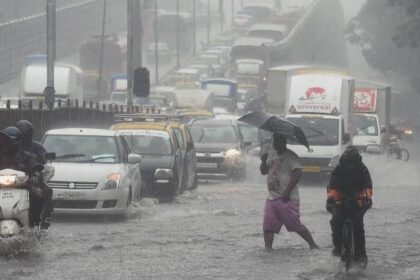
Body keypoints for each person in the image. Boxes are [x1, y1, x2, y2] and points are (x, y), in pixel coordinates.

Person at [260, 133, 318, 250]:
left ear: (284, 142)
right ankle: (268, 249)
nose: (276, 144)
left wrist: (287, 191)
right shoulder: (271, 155)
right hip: (272, 197)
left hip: (288, 197)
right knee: (268, 225)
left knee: (295, 225)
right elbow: (263, 171)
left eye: (278, 141)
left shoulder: (291, 156)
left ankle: (312, 245)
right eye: (274, 141)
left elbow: (297, 172)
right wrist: (263, 160)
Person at [327, 146, 372, 265]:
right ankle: (337, 246)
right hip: (341, 199)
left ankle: (361, 253)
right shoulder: (337, 170)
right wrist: (334, 199)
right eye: (348, 163)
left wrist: (364, 199)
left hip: (358, 200)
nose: (350, 166)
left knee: (358, 225)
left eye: (353, 163)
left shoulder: (363, 170)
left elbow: (368, 187)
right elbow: (331, 188)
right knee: (336, 221)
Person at [1, 126, 46, 227]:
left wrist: (35, 174)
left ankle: (33, 222)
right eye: (7, 141)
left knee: (38, 196)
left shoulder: (25, 155)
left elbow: (34, 163)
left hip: (23, 185)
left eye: (13, 140)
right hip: (1, 186)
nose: (11, 144)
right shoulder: (1, 155)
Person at [15, 120, 53, 228]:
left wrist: (35, 172)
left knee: (42, 192)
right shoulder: (8, 148)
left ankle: (39, 218)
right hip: (9, 179)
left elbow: (37, 161)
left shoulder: (35, 148)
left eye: (26, 133)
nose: (25, 136)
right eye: (22, 133)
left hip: (29, 177)